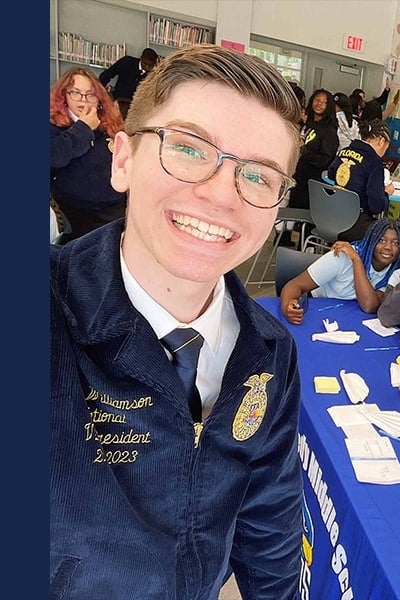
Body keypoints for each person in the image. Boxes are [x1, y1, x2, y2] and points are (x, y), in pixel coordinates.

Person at [50, 44, 306, 597]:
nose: (220, 194)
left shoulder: (270, 354)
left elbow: (270, 527)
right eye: (189, 148)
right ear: (122, 160)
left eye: (259, 176)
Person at [280, 218, 400, 325]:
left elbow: (369, 306)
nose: (388, 247)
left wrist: (357, 261)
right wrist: (287, 305)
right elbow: (295, 285)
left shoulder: (393, 273)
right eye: (381, 241)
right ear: (371, 240)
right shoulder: (341, 256)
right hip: (318, 310)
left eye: (396, 243)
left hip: (351, 318)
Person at [50, 66, 127, 243]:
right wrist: (83, 128)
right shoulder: (54, 125)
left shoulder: (110, 122)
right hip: (75, 212)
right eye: (75, 93)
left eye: (91, 95)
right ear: (64, 95)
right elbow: (54, 157)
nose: (83, 100)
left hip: (113, 209)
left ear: (99, 99)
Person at [326, 119, 394, 241]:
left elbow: (331, 173)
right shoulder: (374, 162)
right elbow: (376, 206)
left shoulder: (344, 151)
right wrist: (386, 193)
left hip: (330, 216)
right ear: (381, 141)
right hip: (355, 224)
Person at [287, 88, 339, 213]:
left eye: (324, 102)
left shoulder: (329, 131)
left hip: (312, 182)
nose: (319, 104)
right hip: (298, 178)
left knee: (304, 217)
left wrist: (303, 150)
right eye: (317, 100)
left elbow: (325, 160)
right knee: (291, 214)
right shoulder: (308, 123)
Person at [99, 47, 159, 117]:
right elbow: (107, 74)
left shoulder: (153, 75)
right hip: (117, 102)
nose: (147, 67)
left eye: (150, 66)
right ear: (141, 58)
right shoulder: (126, 62)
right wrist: (100, 91)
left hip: (134, 109)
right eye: (145, 64)